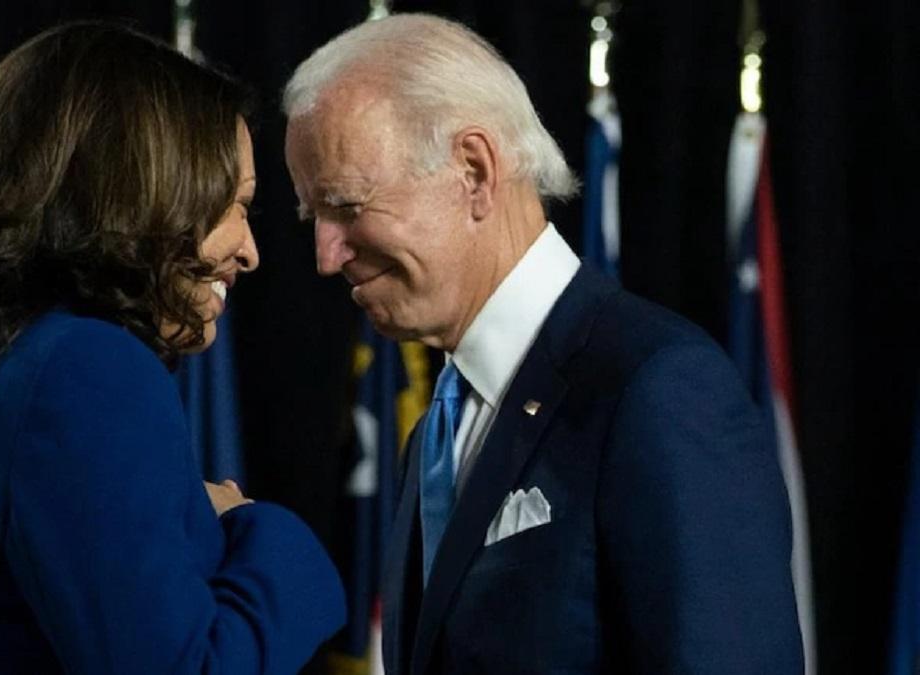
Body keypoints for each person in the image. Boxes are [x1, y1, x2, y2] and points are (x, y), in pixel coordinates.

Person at [283, 13, 802, 675]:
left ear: (473, 170)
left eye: (348, 206)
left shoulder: (657, 389)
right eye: (314, 217)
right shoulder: (436, 430)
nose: (327, 256)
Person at [0, 22, 344, 674]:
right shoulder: (86, 368)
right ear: (147, 190)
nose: (250, 251)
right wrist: (260, 531)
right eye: (237, 204)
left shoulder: (34, 355)